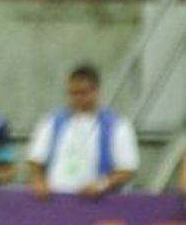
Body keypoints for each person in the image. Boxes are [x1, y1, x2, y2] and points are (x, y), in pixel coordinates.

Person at [27, 64, 139, 198]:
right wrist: (38, 180)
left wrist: (102, 185)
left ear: (96, 92)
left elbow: (127, 168)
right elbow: (36, 159)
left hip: (95, 201)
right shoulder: (51, 122)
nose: (77, 98)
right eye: (73, 93)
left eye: (83, 93)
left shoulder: (118, 126)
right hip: (54, 199)